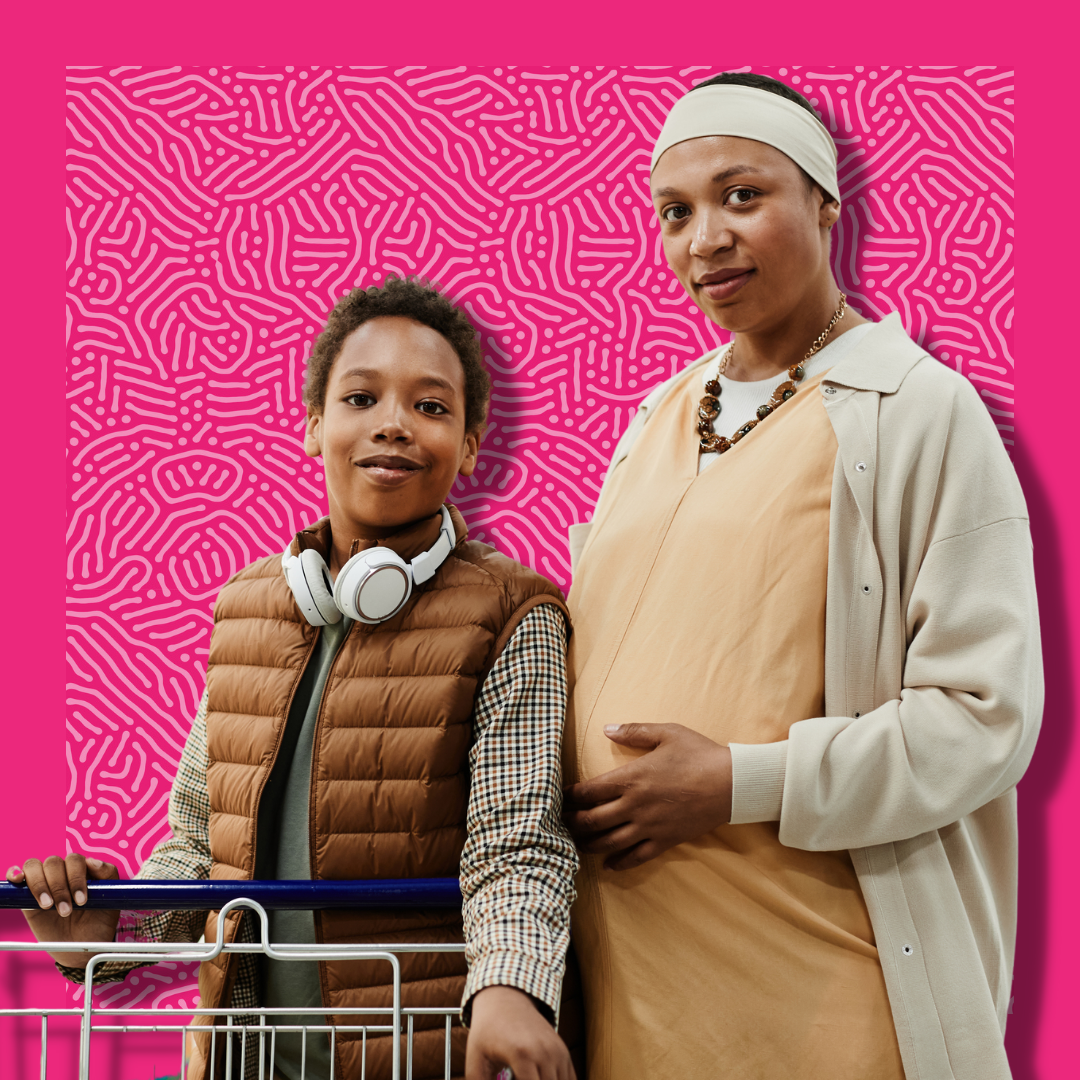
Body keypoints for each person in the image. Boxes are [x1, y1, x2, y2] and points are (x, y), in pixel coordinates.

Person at [561, 72, 1041, 1080]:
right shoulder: (654, 419)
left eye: (744, 196)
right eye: (677, 213)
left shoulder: (915, 411)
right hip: (634, 993)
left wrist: (739, 784)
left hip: (821, 990)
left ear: (826, 203)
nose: (706, 240)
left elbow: (982, 719)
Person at [8, 277, 582, 1080]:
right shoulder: (247, 609)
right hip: (245, 1060)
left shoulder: (516, 614)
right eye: (360, 396)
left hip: (425, 1052)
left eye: (431, 406)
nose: (392, 424)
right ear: (315, 425)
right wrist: (102, 935)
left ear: (471, 445)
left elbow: (515, 844)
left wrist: (512, 988)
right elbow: (204, 851)